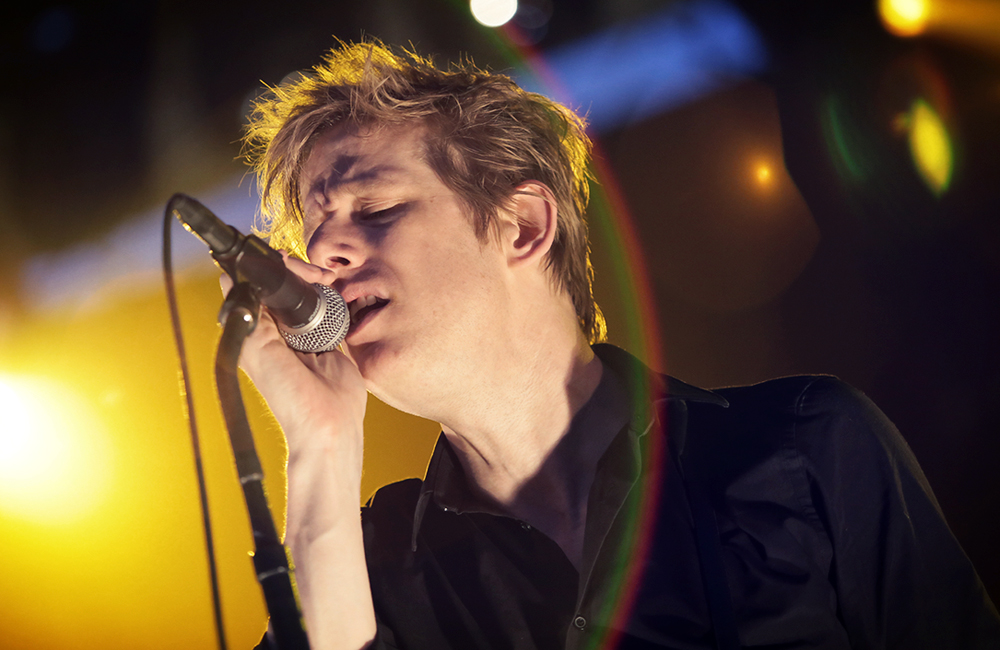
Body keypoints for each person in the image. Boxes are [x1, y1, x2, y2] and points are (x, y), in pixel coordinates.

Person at [235, 40, 1000, 649]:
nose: (324, 252)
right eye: (315, 230)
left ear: (523, 226)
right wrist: (320, 444)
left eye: (375, 208)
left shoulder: (804, 448)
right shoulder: (364, 570)